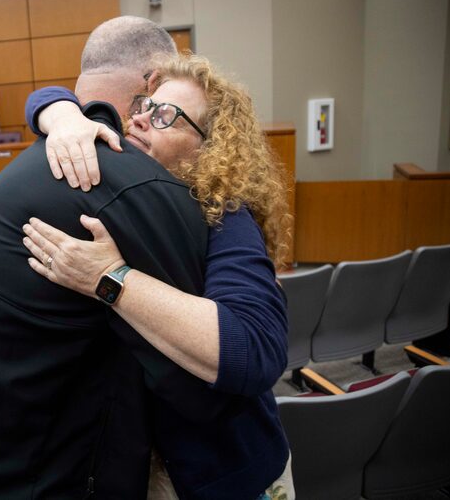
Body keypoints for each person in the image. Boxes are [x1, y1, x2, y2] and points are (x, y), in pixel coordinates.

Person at [0, 18, 236, 499]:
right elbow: (207, 367)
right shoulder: (130, 184)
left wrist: (54, 108)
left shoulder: (43, 153)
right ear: (153, 82)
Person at [22, 47, 294, 499]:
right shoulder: (133, 201)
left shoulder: (226, 217)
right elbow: (46, 96)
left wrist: (110, 279)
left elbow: (254, 348)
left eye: (167, 115)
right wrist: (61, 114)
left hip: (224, 477)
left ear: (211, 148)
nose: (142, 119)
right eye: (144, 106)